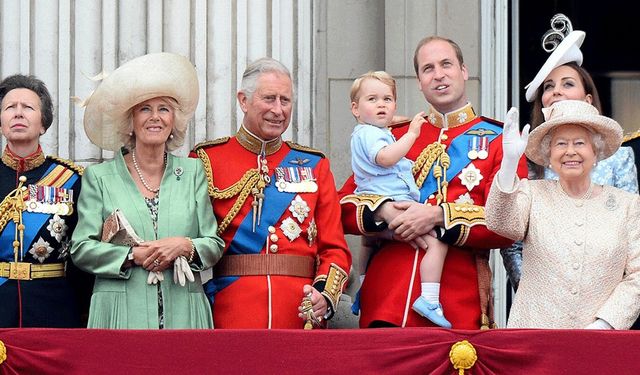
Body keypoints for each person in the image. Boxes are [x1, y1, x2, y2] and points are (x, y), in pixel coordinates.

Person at [339, 36, 527, 329]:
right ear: (419, 81)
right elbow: (342, 207)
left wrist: (438, 216)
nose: (438, 74)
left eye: (446, 64)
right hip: (386, 300)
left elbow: (508, 225)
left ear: (463, 71)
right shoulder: (393, 135)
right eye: (428, 68)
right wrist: (384, 211)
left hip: (455, 305)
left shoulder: (500, 141)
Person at [191, 57, 351, 329]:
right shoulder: (206, 159)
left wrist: (324, 294)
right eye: (269, 99)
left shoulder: (315, 164)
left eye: (285, 101)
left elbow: (335, 248)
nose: (278, 110)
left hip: (299, 312)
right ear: (243, 100)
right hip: (231, 309)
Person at [70, 52, 224, 329]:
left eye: (163, 109)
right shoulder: (99, 177)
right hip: (120, 313)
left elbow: (213, 245)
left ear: (173, 120)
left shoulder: (193, 172)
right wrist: (131, 256)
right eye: (145, 109)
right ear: (130, 121)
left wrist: (185, 245)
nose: (155, 117)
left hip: (184, 312)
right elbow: (81, 248)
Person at [501, 21, 638, 292]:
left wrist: (611, 308)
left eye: (567, 84)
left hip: (604, 302)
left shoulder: (619, 157)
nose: (556, 92)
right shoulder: (526, 159)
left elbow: (631, 237)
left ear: (587, 100)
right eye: (548, 87)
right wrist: (534, 295)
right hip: (541, 304)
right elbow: (512, 242)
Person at [486, 99, 640, 329]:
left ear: (595, 151)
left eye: (580, 143)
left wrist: (605, 325)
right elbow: (500, 223)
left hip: (599, 341)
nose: (570, 152)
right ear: (549, 154)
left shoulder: (626, 204)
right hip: (534, 335)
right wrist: (508, 164)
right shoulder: (532, 193)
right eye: (560, 144)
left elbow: (637, 276)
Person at [348, 71, 450, 328]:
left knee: (369, 243)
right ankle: (429, 299)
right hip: (392, 199)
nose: (381, 105)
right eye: (373, 99)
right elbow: (385, 158)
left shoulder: (369, 131)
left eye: (387, 99)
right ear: (355, 109)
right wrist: (412, 133)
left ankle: (362, 285)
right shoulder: (376, 135)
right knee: (437, 243)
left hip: (373, 197)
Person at [0, 74, 91, 328]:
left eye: (28, 107)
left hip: (53, 311)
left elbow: (81, 256)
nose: (18, 113)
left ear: (43, 123)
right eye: (10, 107)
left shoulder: (71, 179)